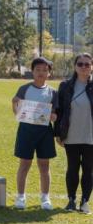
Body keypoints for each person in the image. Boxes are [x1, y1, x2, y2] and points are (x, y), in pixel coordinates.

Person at [12, 57, 58, 210]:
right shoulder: (24, 89)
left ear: (49, 73)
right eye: (38, 70)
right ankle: (20, 197)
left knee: (44, 165)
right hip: (26, 130)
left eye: (45, 70)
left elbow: (55, 114)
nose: (41, 73)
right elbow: (17, 113)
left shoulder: (53, 92)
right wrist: (14, 103)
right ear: (32, 71)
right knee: (24, 164)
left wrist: (53, 116)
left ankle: (45, 198)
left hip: (45, 132)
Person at [55, 53, 93, 214]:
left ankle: (85, 201)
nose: (83, 67)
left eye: (87, 64)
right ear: (75, 66)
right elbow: (59, 111)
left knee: (88, 170)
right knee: (72, 168)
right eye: (80, 64)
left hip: (90, 136)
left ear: (91, 67)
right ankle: (71, 200)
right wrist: (58, 133)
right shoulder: (65, 86)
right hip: (71, 134)